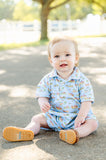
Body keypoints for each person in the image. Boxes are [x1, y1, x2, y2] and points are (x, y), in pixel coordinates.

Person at [3, 37, 98, 144]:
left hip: (76, 118)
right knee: (36, 119)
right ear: (51, 60)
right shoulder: (48, 79)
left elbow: (87, 100)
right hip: (55, 116)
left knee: (92, 123)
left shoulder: (82, 80)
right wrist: (43, 102)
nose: (62, 59)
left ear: (76, 58)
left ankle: (74, 133)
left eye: (67, 55)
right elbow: (42, 94)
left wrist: (81, 116)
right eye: (57, 56)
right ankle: (27, 131)